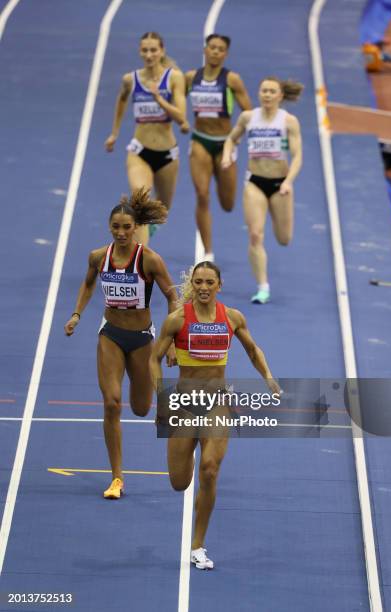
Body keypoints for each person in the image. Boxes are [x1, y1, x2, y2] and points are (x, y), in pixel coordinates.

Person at [149, 261, 280, 569]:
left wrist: (268, 377)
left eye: (210, 282)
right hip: (184, 404)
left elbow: (252, 349)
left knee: (209, 470)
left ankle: (198, 545)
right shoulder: (176, 320)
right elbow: (153, 360)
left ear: (219, 285)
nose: (204, 287)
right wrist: (161, 399)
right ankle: (191, 446)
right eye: (199, 282)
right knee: (180, 483)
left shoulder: (232, 318)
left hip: (217, 403)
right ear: (192, 285)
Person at [64, 188, 178, 499]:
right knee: (112, 403)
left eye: (127, 227)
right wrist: (76, 314)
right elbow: (88, 284)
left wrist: (170, 341)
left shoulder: (149, 260)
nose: (122, 232)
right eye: (116, 226)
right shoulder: (99, 257)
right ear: (109, 227)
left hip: (141, 338)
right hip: (111, 334)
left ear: (136, 228)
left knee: (140, 408)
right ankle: (116, 477)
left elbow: (172, 296)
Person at [222, 76, 303, 304]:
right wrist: (228, 155)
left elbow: (297, 156)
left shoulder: (288, 121)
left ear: (280, 96)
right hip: (254, 182)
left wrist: (288, 181)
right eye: (263, 90)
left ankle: (264, 282)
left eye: (271, 91)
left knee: (283, 238)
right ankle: (262, 287)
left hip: (280, 185)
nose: (267, 94)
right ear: (259, 94)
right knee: (255, 235)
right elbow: (231, 139)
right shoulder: (248, 117)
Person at [105, 32, 187, 245]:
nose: (149, 55)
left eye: (153, 50)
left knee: (161, 211)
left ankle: (148, 229)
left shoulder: (175, 78)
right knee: (140, 203)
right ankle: (139, 261)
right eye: (145, 50)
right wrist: (114, 132)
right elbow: (122, 99)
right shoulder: (130, 79)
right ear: (140, 52)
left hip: (168, 154)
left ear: (162, 51)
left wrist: (159, 99)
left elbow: (181, 117)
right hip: (139, 151)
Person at [185, 34, 252, 261]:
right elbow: (174, 98)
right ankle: (208, 252)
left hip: (225, 144)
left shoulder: (232, 80)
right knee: (202, 195)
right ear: (205, 50)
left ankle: (225, 193)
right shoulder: (191, 77)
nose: (215, 52)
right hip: (200, 140)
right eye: (212, 47)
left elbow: (249, 112)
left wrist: (238, 136)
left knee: (227, 203)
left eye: (220, 49)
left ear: (226, 54)